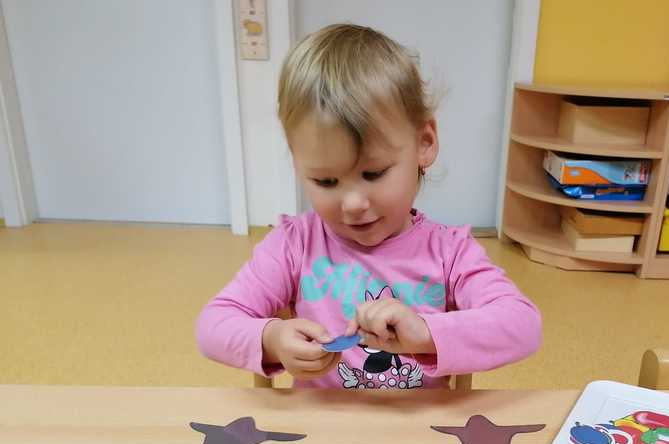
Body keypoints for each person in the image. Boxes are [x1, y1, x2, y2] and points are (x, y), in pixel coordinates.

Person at [196, 24, 541, 390]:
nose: (353, 204)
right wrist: (272, 339)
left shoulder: (450, 252)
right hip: (319, 424)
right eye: (326, 181)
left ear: (424, 143)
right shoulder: (293, 245)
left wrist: (427, 332)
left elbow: (523, 325)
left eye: (373, 173)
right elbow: (212, 325)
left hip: (421, 425)